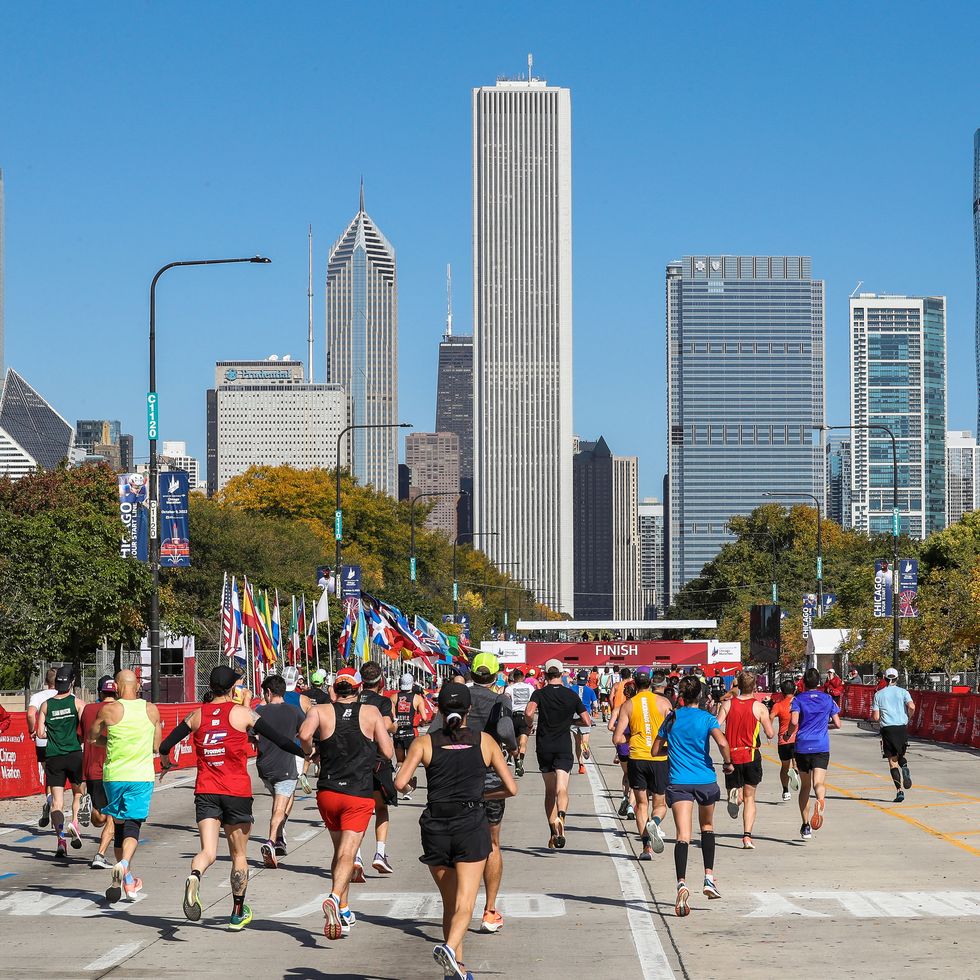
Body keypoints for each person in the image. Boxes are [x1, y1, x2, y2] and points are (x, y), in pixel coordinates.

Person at [159, 665, 307, 931]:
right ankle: (237, 913)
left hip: (205, 791)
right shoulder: (242, 714)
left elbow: (165, 745)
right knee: (239, 855)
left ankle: (195, 876)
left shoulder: (196, 715)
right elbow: (281, 740)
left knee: (208, 851)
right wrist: (306, 754)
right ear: (232, 688)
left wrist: (166, 761)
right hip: (236, 791)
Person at [395, 682, 517, 980]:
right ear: (469, 710)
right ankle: (449, 949)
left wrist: (417, 785)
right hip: (470, 823)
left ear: (438, 709)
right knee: (465, 901)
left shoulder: (425, 742)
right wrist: (480, 795)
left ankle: (457, 969)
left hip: (436, 824)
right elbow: (511, 788)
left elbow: (400, 784)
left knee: (450, 903)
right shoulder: (484, 741)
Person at [299, 667, 393, 941]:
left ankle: (344, 908)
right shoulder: (371, 712)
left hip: (327, 792)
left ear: (334, 689)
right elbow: (387, 752)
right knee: (348, 855)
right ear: (358, 689)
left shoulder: (320, 711)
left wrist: (310, 752)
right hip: (357, 794)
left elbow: (304, 736)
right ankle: (333, 896)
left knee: (341, 852)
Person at [428, 651, 516, 935]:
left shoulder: (456, 696)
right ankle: (489, 910)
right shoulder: (500, 699)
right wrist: (512, 748)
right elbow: (505, 729)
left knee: (454, 839)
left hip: (451, 777)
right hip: (487, 778)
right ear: (494, 674)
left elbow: (432, 730)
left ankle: (457, 906)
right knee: (492, 842)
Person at [649, 675, 733, 917]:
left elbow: (656, 750)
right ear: (702, 696)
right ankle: (708, 878)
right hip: (704, 780)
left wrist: (672, 748)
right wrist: (727, 764)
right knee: (707, 827)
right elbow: (722, 743)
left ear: (681, 696)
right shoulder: (707, 718)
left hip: (679, 782)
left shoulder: (672, 718)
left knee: (682, 835)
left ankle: (681, 883)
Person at [88, 669, 162, 901]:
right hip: (140, 776)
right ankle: (124, 863)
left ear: (118, 688)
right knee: (133, 826)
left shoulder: (108, 709)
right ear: (138, 686)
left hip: (114, 776)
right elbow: (155, 746)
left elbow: (91, 737)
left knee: (119, 825)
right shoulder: (151, 710)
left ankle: (128, 880)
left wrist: (110, 739)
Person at [524, 659, 592, 849]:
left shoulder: (539, 693)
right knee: (562, 788)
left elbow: (529, 712)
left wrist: (529, 725)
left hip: (544, 746)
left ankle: (553, 831)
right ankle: (561, 816)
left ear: (545, 675)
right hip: (563, 745)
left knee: (549, 791)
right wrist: (572, 722)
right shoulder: (571, 695)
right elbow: (586, 720)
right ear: (562, 674)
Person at [613, 670, 672, 859]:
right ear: (651, 684)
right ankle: (654, 822)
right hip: (659, 758)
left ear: (635, 684)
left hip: (637, 758)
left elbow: (617, 738)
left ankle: (646, 848)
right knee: (660, 804)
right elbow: (673, 732)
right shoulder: (664, 703)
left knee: (641, 804)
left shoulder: (628, 705)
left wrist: (633, 737)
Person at [716, 671, 774, 849]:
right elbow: (770, 733)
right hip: (751, 754)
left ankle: (735, 796)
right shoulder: (759, 707)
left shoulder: (727, 704)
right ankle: (747, 836)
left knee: (738, 792)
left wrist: (726, 738)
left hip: (732, 755)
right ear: (755, 686)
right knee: (750, 798)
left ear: (737, 686)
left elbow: (715, 727)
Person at [36, 666, 88, 860]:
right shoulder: (78, 703)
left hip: (54, 756)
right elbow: (85, 728)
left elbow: (40, 733)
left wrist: (52, 732)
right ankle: (74, 822)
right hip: (74, 754)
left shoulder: (46, 705)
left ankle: (61, 841)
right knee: (78, 793)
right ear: (72, 683)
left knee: (56, 802)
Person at [254, 674, 305, 868]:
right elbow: (305, 732)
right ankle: (271, 841)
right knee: (280, 807)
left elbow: (251, 736)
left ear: (268, 692)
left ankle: (280, 838)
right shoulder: (294, 711)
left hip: (264, 768)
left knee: (281, 799)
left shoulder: (259, 711)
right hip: (285, 766)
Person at [785, 667, 842, 841]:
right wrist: (826, 726)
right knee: (819, 782)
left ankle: (805, 825)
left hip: (803, 745)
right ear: (819, 682)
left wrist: (788, 734)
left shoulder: (798, 699)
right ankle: (821, 799)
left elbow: (794, 721)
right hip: (821, 745)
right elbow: (838, 724)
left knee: (804, 786)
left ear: (803, 682)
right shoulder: (827, 699)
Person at [357, 660, 398, 877]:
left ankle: (356, 855)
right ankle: (380, 853)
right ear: (380, 680)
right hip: (377, 760)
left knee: (359, 811)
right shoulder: (382, 702)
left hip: (355, 761)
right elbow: (384, 725)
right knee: (381, 808)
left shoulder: (353, 700)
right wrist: (394, 724)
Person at [80, 676, 118, 869]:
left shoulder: (88, 709)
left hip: (91, 769)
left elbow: (82, 735)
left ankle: (90, 808)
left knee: (100, 818)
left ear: (100, 692)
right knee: (111, 818)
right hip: (114, 770)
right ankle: (100, 854)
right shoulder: (120, 711)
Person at [871, 667, 915, 803]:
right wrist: (909, 717)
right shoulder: (903, 692)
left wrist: (877, 717)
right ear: (897, 678)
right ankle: (905, 767)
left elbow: (876, 716)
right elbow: (912, 706)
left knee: (892, 762)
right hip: (901, 727)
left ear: (885, 678)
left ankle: (899, 791)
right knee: (900, 754)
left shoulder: (879, 694)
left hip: (888, 729)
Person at [392, 671, 433, 800]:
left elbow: (392, 718)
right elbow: (425, 717)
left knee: (399, 761)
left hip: (398, 732)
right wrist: (420, 722)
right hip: (411, 732)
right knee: (410, 762)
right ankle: (406, 787)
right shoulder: (417, 698)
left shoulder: (393, 698)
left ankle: (403, 785)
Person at [27, 667, 58, 829]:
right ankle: (55, 809)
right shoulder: (67, 695)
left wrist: (32, 730)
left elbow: (31, 714)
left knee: (50, 775)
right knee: (60, 778)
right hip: (62, 742)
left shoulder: (38, 696)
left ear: (46, 682)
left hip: (42, 742)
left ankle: (49, 801)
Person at [768, 680, 802, 801]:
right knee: (797, 762)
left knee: (784, 766)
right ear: (794, 690)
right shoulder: (799, 703)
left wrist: (769, 731)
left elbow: (770, 716)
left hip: (784, 740)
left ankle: (785, 790)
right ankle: (795, 772)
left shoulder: (778, 705)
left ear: (782, 692)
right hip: (797, 738)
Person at [504, 668, 536, 777]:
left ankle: (517, 763)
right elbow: (533, 703)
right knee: (523, 743)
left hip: (513, 717)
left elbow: (506, 701)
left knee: (514, 744)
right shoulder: (530, 688)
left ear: (514, 678)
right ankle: (521, 761)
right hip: (525, 715)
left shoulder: (509, 688)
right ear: (523, 678)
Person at [571, 669, 598, 774]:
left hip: (574, 716)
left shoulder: (572, 688)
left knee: (577, 743)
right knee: (585, 740)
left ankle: (581, 764)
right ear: (587, 680)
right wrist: (592, 709)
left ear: (577, 679)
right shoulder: (590, 690)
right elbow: (595, 704)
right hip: (585, 715)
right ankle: (585, 747)